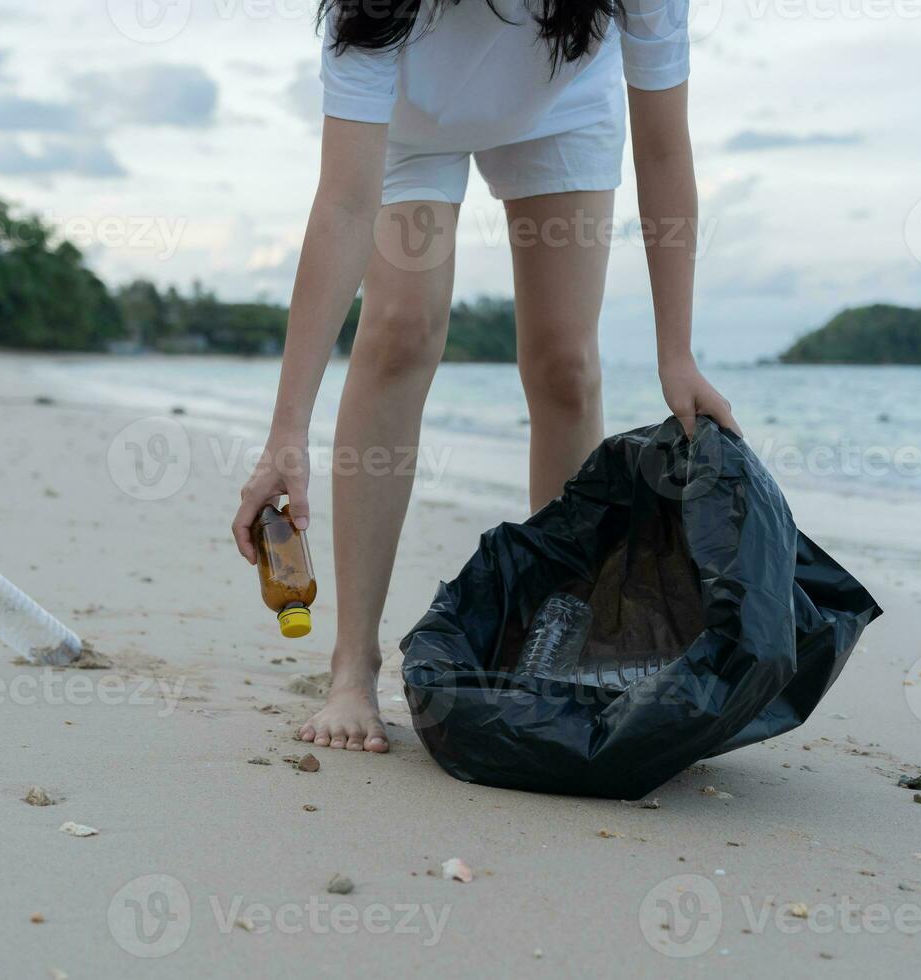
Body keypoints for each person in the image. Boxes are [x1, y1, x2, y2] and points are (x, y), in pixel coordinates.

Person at [232, 0, 740, 753]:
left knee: (564, 362)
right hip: (411, 122)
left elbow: (664, 151)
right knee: (402, 328)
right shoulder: (370, 12)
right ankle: (352, 665)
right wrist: (287, 430)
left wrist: (678, 353)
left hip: (561, 106)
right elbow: (343, 204)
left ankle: (558, 641)